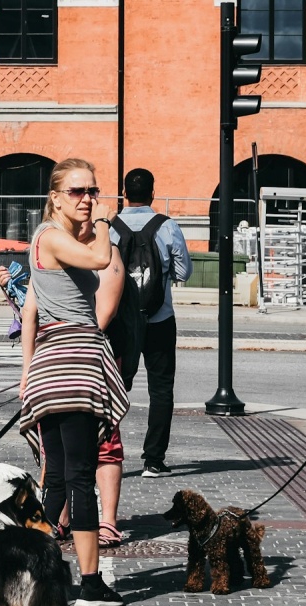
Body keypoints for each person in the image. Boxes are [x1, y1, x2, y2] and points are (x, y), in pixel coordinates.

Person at [17, 158, 129, 606]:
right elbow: (101, 258)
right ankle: (90, 582)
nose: (88, 199)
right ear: (56, 197)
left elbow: (30, 308)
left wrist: (27, 370)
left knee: (59, 475)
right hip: (75, 363)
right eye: (78, 192)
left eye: (93, 191)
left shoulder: (46, 240)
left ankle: (40, 572)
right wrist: (103, 222)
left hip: (51, 363)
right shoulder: (52, 238)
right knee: (81, 477)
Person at [0, 243, 128, 549]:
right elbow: (30, 313)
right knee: (61, 465)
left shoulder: (101, 252)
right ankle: (56, 534)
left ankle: (100, 523)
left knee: (93, 454)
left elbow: (102, 314)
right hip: (58, 368)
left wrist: (36, 367)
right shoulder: (48, 251)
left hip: (80, 365)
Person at [110, 168, 191, 478]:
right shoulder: (167, 227)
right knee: (161, 390)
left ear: (124, 193)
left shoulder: (111, 228)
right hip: (160, 318)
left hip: (121, 322)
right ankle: (153, 460)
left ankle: (106, 454)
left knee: (113, 386)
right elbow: (183, 272)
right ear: (153, 193)